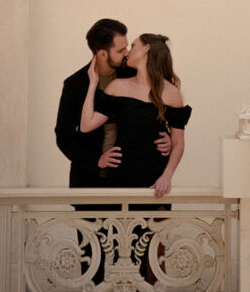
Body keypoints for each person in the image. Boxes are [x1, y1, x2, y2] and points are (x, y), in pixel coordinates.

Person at [55, 18, 171, 187]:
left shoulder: (133, 73)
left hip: (133, 177)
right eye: (120, 50)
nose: (127, 53)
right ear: (102, 53)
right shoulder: (75, 84)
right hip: (90, 180)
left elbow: (154, 109)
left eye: (127, 47)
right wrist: (96, 161)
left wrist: (166, 135)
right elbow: (64, 136)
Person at [81, 33, 191, 197]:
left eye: (133, 46)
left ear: (146, 49)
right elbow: (86, 125)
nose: (127, 52)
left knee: (151, 223)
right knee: (117, 222)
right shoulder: (117, 86)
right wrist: (92, 84)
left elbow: (178, 143)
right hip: (120, 173)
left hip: (155, 177)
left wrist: (167, 176)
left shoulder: (171, 93)